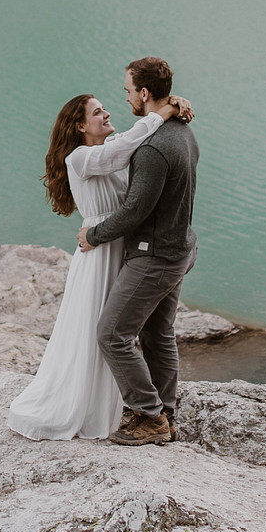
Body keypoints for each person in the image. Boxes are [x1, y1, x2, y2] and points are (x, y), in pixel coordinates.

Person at [7, 87, 193, 441]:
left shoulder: (112, 146)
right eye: (97, 112)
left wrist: (173, 103)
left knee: (130, 328)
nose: (107, 113)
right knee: (100, 330)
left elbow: (131, 144)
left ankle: (142, 408)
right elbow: (123, 150)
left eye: (105, 107)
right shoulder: (79, 158)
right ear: (79, 126)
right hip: (99, 251)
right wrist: (163, 112)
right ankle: (92, 404)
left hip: (124, 245)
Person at [77, 56, 198, 447]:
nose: (125, 96)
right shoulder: (182, 131)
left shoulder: (152, 149)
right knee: (158, 334)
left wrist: (94, 235)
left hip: (154, 257)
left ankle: (148, 415)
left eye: (128, 90)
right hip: (179, 248)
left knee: (111, 334)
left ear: (144, 93)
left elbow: (134, 211)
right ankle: (166, 414)